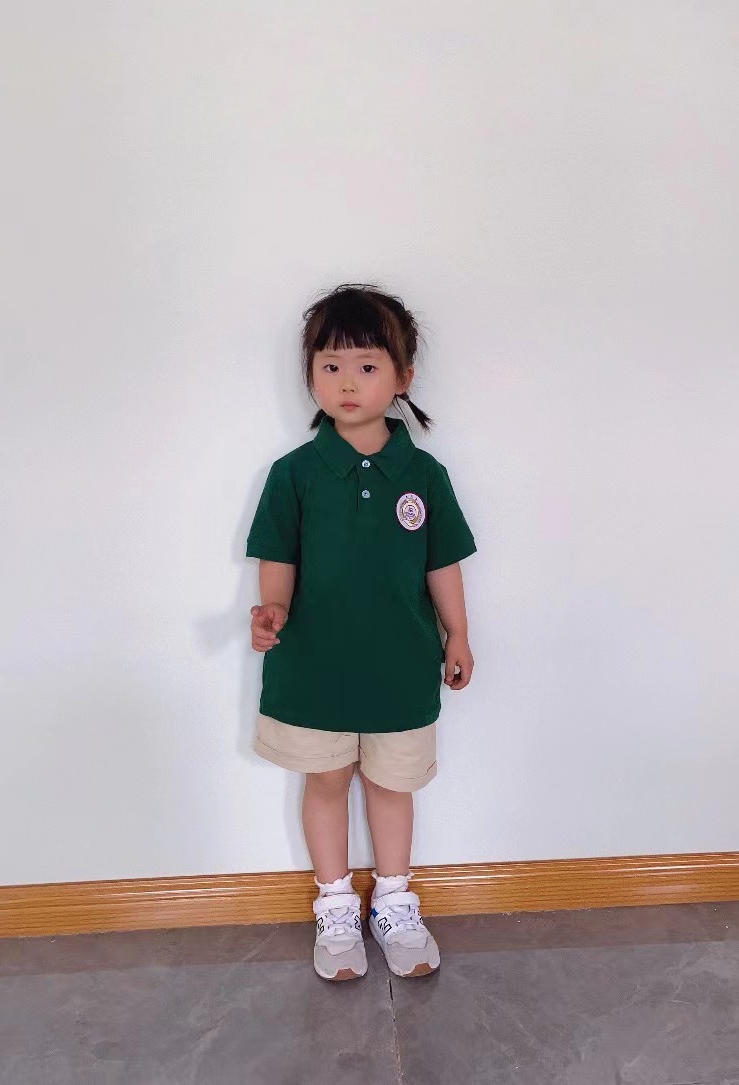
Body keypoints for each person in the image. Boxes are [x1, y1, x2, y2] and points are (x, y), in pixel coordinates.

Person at [246, 284, 477, 981]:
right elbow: (277, 560)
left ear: (402, 377)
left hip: (400, 670)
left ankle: (395, 901)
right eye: (331, 366)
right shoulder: (293, 474)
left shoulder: (425, 475)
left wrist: (458, 634)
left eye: (367, 366)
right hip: (313, 669)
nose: (347, 383)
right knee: (324, 781)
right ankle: (336, 904)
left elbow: (442, 564)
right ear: (311, 375)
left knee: (391, 785)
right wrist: (272, 610)